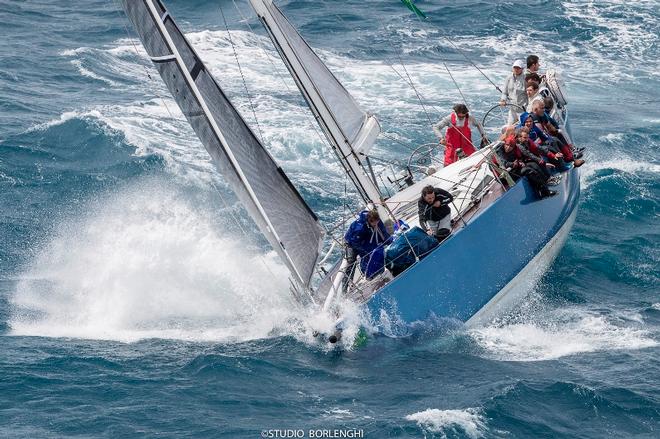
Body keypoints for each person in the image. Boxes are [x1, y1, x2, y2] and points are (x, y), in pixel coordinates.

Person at [343, 209, 391, 288]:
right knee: (351, 262)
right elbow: (355, 243)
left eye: (377, 223)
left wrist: (389, 241)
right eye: (374, 224)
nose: (376, 225)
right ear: (369, 221)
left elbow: (383, 232)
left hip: (366, 237)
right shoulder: (359, 228)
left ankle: (377, 274)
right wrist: (366, 252)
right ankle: (346, 286)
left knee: (375, 254)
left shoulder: (376, 220)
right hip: (352, 243)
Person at [499, 59, 528, 124]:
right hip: (512, 110)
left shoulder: (525, 79)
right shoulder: (508, 78)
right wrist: (503, 100)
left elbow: (528, 94)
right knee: (509, 127)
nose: (516, 69)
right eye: (515, 67)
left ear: (522, 69)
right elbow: (504, 92)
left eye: (518, 68)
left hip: (522, 110)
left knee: (522, 128)